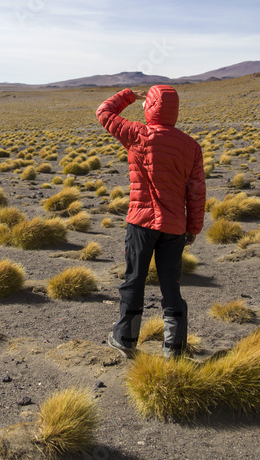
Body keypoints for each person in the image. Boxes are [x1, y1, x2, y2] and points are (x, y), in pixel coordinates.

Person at [96, 86, 206, 359]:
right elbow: (196, 192)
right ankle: (174, 348)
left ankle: (125, 339)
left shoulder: (137, 134)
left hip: (141, 224)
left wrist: (129, 95)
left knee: (134, 279)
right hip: (174, 228)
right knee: (171, 285)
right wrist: (193, 228)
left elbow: (104, 112)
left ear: (150, 108)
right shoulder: (191, 146)